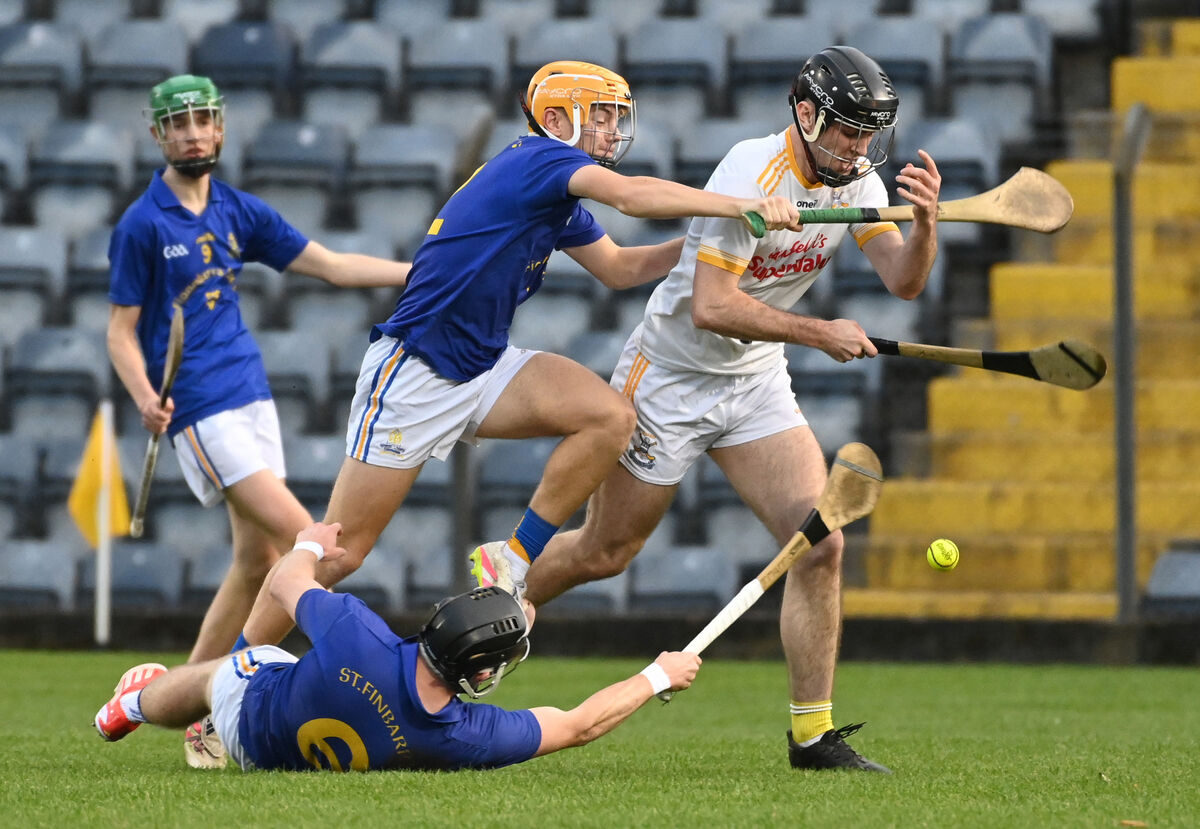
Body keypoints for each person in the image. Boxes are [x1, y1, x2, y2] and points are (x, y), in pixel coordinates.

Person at [234, 60, 800, 648]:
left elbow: (618, 268)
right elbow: (632, 199)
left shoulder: (552, 192)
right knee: (338, 552)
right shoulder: (541, 160)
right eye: (599, 116)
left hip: (483, 366)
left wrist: (706, 245)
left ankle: (514, 555)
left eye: (615, 117)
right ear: (555, 120)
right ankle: (225, 683)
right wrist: (735, 204)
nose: (612, 129)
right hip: (416, 373)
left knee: (608, 417)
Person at [519, 46, 944, 773]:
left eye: (870, 133)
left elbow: (903, 281)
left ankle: (812, 735)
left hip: (753, 382)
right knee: (605, 552)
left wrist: (928, 227)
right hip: (670, 380)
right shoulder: (751, 174)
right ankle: (489, 599)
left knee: (820, 539)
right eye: (846, 129)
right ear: (806, 115)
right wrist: (821, 333)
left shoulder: (859, 181)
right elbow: (711, 307)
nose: (859, 147)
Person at [107, 74, 411, 767]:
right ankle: (224, 702)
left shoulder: (237, 209)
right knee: (315, 545)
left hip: (252, 396)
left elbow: (330, 266)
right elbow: (121, 332)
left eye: (203, 120)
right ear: (158, 136)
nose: (192, 133)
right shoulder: (142, 224)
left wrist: (419, 271)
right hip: (201, 408)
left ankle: (184, 702)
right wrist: (142, 395)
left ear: (220, 128)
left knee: (257, 562)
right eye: (177, 124)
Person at [94, 522, 702, 772]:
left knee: (223, 672)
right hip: (279, 763)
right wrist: (657, 675)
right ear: (481, 673)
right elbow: (578, 726)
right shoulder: (460, 735)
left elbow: (281, 583)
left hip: (254, 724)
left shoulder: (357, 631)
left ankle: (133, 707)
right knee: (239, 673)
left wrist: (307, 542)